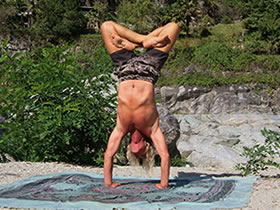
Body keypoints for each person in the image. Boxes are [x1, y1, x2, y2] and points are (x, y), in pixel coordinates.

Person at [101, 20, 179, 189]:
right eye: (141, 152)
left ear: (129, 145)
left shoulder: (121, 128)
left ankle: (137, 43)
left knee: (106, 26)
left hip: (124, 69)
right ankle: (144, 41)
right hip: (149, 69)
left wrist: (108, 183)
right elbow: (165, 156)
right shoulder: (153, 129)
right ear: (147, 148)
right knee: (173, 27)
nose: (136, 148)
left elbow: (108, 155)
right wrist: (163, 184)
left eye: (133, 150)